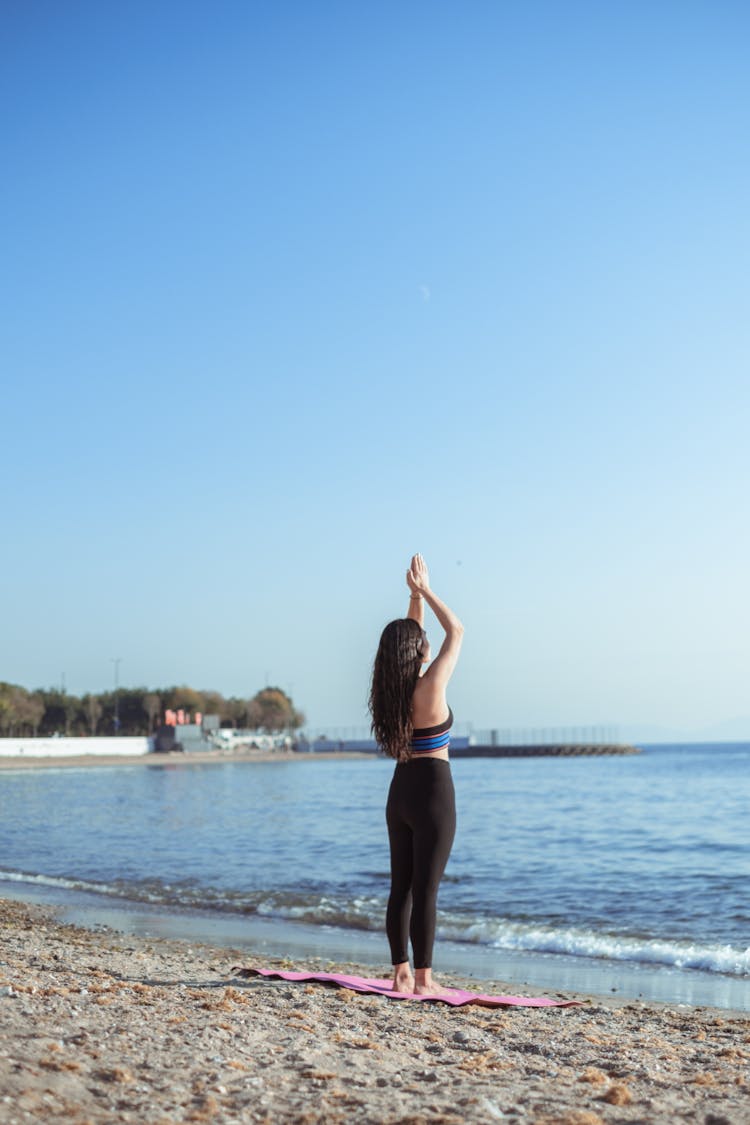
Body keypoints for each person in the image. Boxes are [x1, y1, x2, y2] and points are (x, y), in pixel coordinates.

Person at [369, 554, 464, 995]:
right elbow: (457, 631)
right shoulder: (431, 686)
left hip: (399, 791)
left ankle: (400, 972)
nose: (427, 641)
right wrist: (426, 591)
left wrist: (412, 596)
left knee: (401, 887)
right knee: (426, 889)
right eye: (421, 640)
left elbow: (413, 635)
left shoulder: (393, 693)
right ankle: (425, 980)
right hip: (432, 793)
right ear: (419, 650)